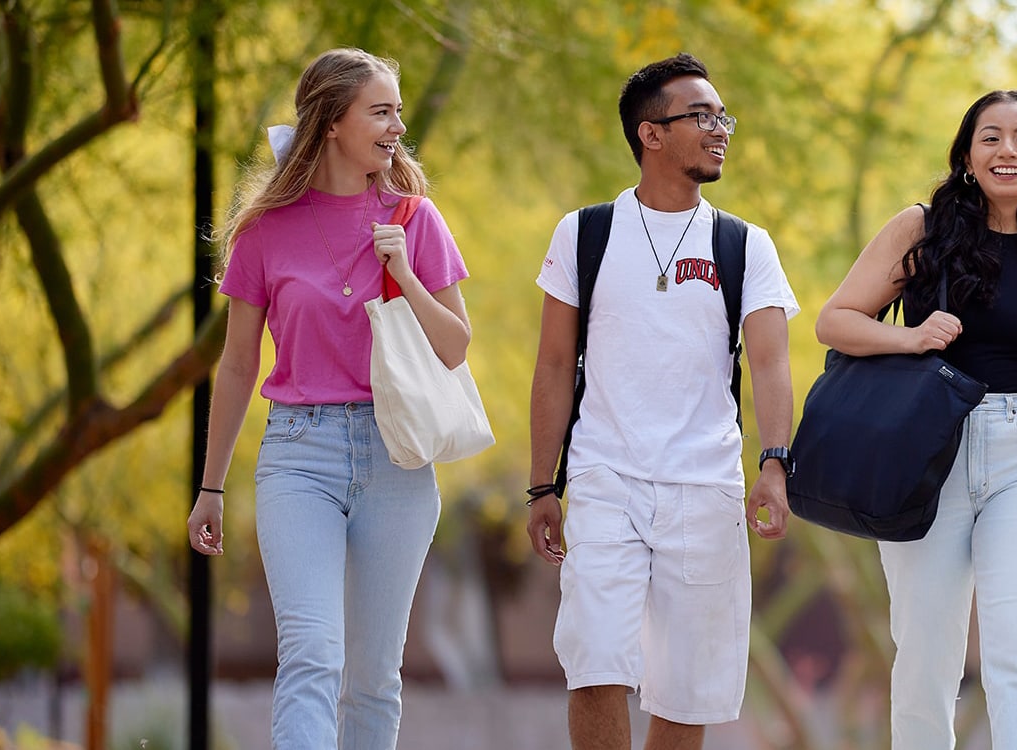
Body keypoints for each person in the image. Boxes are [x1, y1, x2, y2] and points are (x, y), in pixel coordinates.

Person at [183, 48, 471, 750]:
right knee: (313, 654)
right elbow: (238, 364)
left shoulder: (416, 219)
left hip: (395, 458)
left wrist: (402, 267)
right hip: (297, 456)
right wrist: (210, 485)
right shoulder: (264, 230)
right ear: (332, 121)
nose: (396, 125)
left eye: (398, 110)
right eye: (381, 111)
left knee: (373, 676)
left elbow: (456, 346)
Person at [814, 89, 1017, 750]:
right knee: (926, 654)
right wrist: (911, 338)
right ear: (967, 154)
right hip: (926, 450)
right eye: (990, 136)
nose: (1006, 149)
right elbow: (834, 321)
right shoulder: (921, 231)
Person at [523, 52, 797, 750]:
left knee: (687, 684)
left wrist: (774, 464)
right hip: (603, 478)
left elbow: (769, 361)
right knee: (594, 663)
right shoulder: (583, 234)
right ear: (651, 134)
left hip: (704, 487)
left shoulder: (744, 244)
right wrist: (539, 484)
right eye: (701, 116)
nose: (720, 129)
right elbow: (554, 364)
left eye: (722, 116)